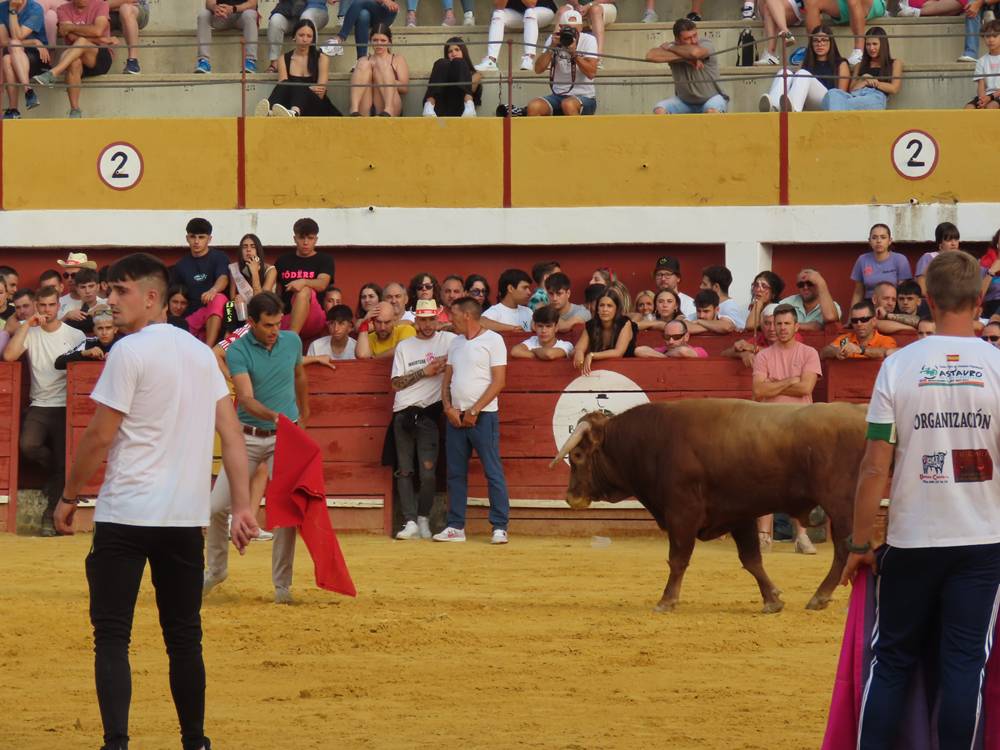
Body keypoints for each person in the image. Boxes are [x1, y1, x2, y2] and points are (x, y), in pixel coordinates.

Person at [54, 253, 255, 750]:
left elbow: (100, 436)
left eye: (120, 292)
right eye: (109, 291)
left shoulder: (129, 352)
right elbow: (232, 436)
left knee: (113, 636)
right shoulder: (200, 355)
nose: (110, 301)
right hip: (182, 519)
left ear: (151, 298)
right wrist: (244, 506)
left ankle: (116, 744)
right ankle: (194, 741)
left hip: (125, 514)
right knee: (184, 636)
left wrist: (69, 495)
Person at [840, 251, 1000, 749]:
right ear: (979, 300)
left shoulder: (897, 365)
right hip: (982, 540)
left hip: (911, 539)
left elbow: (873, 467)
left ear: (928, 300)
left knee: (891, 662)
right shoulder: (998, 366)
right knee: (963, 665)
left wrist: (860, 541)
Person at [205, 291, 307, 605]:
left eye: (278, 323)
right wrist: (278, 416)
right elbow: (246, 398)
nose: (275, 330)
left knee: (287, 513)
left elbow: (300, 376)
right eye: (268, 325)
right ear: (251, 323)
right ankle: (216, 570)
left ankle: (282, 586)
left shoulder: (292, 342)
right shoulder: (237, 351)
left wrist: (304, 417)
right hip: (247, 437)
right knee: (214, 508)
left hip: (284, 439)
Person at [3, 284, 85, 536]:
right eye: (43, 305)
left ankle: (49, 518)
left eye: (51, 305)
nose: (47, 310)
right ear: (36, 306)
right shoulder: (31, 332)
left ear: (59, 306)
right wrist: (28, 323)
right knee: (28, 446)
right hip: (39, 403)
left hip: (65, 405)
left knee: (64, 461)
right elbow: (9, 356)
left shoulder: (74, 335)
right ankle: (53, 477)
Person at [434, 296, 510, 544]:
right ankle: (455, 526)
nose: (450, 320)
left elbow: (499, 382)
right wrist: (447, 407)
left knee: (492, 471)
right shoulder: (455, 343)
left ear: (466, 315)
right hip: (456, 417)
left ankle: (500, 525)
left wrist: (475, 410)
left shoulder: (494, 340)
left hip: (483, 416)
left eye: (453, 315)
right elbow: (447, 379)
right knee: (455, 473)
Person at [751, 305, 823, 554]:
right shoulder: (763, 355)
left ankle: (801, 536)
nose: (780, 328)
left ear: (796, 326)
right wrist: (791, 381)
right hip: (769, 425)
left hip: (799, 423)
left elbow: (805, 389)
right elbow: (759, 391)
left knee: (799, 483)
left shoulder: (809, 353)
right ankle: (763, 536)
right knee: (765, 482)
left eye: (785, 324)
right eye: (775, 324)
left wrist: (775, 385)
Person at [390, 299, 456, 540]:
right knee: (405, 471)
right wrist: (424, 372)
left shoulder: (449, 341)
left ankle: (423, 518)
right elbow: (395, 383)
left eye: (431, 319)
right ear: (415, 320)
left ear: (438, 319)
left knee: (428, 473)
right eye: (422, 320)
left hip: (429, 413)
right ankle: (410, 521)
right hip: (404, 412)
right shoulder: (405, 346)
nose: (427, 325)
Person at [31, 0, 115, 118]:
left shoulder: (101, 5)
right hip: (75, 56)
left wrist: (72, 27)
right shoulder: (63, 9)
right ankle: (75, 110)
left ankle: (54, 73)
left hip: (100, 57)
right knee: (75, 61)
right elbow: (70, 36)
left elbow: (98, 30)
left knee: (81, 42)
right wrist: (99, 39)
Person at [256, 19, 341, 118]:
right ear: (294, 37)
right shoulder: (283, 59)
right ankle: (269, 112)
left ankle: (293, 113)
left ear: (313, 39)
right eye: (301, 35)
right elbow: (284, 88)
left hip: (316, 106)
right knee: (285, 84)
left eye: (309, 36)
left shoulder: (322, 58)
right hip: (291, 104)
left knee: (299, 86)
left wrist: (306, 88)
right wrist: (310, 88)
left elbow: (320, 93)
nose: (305, 39)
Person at [758, 25, 850, 111]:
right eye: (815, 40)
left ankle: (794, 109)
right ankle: (774, 106)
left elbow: (840, 96)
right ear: (811, 43)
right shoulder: (805, 63)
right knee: (785, 72)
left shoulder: (841, 64)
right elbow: (795, 84)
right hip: (807, 102)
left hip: (828, 102)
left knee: (803, 74)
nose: (820, 44)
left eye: (824, 40)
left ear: (831, 42)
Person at [647, 18, 729, 114]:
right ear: (677, 40)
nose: (694, 41)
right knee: (659, 110)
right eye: (687, 38)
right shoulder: (676, 47)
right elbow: (651, 55)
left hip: (712, 98)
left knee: (711, 111)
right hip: (684, 102)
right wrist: (687, 58)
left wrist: (670, 48)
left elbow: (695, 53)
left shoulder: (706, 44)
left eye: (695, 35)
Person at [170, 217, 230, 347]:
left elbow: (223, 278)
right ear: (187, 239)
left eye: (201, 237)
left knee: (218, 298)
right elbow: (175, 294)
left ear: (209, 239)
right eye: (193, 237)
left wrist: (213, 290)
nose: (196, 241)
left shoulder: (219, 258)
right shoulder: (181, 265)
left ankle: (209, 349)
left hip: (218, 312)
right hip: (193, 315)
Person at [527, 9, 598, 116]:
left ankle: (577, 133)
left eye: (575, 30)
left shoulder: (589, 40)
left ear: (581, 27)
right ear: (561, 27)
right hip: (558, 96)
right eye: (567, 29)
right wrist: (551, 47)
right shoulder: (554, 39)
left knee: (568, 104)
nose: (572, 34)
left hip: (584, 97)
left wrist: (574, 54)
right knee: (534, 107)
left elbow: (591, 73)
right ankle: (540, 133)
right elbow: (538, 69)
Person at [274, 217, 334, 340]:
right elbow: (276, 292)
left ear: (316, 239)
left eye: (310, 238)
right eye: (302, 238)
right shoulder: (282, 261)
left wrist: (304, 281)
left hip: (314, 317)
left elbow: (322, 284)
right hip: (287, 317)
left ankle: (292, 339)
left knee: (304, 290)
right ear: (295, 239)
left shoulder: (325, 260)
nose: (306, 242)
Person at [821, 27, 902, 111]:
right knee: (832, 93)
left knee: (840, 103)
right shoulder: (859, 65)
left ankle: (837, 114)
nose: (871, 48)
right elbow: (851, 89)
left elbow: (894, 88)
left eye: (875, 44)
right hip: (855, 96)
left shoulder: (895, 63)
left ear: (883, 44)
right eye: (868, 44)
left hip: (875, 97)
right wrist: (864, 80)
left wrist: (873, 81)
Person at [475, 0, 557, 73]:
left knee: (530, 12)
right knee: (498, 14)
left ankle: (528, 59)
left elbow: (531, 3)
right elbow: (499, 6)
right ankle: (491, 60)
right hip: (520, 13)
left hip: (543, 9)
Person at [344, 25, 408, 117]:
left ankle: (388, 110)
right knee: (363, 63)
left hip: (390, 105)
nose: (379, 44)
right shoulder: (364, 60)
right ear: (370, 41)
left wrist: (383, 77)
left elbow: (404, 88)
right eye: (375, 40)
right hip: (366, 106)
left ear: (389, 42)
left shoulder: (397, 59)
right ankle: (354, 110)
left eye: (383, 40)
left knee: (381, 65)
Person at [0, 0, 50, 120]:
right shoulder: (1, 8)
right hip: (14, 53)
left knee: (9, 56)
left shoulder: (35, 8)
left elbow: (18, 37)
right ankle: (28, 92)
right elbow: (3, 41)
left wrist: (12, 10)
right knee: (7, 58)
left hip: (37, 57)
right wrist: (33, 41)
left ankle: (13, 109)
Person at [802, 0, 885, 68]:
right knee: (811, 1)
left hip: (870, 4)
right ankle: (815, 52)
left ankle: (859, 50)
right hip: (843, 5)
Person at [573, 289, 636, 375]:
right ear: (597, 308)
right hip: (599, 374)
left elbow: (618, 352)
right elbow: (579, 347)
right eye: (601, 305)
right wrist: (579, 353)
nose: (605, 309)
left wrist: (592, 355)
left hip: (626, 373)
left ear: (616, 309)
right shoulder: (591, 324)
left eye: (609, 306)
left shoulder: (625, 323)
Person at [850, 223, 912, 307]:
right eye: (874, 237)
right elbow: (858, 292)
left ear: (890, 241)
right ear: (869, 241)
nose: (878, 241)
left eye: (883, 237)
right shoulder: (862, 260)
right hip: (869, 305)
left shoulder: (900, 260)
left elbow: (903, 291)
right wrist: (852, 317)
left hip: (893, 305)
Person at [422, 36, 481, 117]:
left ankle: (469, 105)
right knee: (441, 62)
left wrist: (476, 75)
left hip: (461, 111)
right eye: (450, 51)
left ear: (463, 51)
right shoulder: (441, 68)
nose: (453, 53)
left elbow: (472, 89)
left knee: (459, 62)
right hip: (438, 111)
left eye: (457, 50)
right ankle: (428, 106)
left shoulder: (474, 74)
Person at [266, 0, 332, 72]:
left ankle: (311, 63)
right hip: (291, 13)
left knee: (306, 17)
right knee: (275, 20)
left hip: (316, 10)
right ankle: (274, 64)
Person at [322, 0, 398, 62]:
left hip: (387, 11)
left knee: (359, 1)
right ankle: (361, 60)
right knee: (363, 15)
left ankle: (339, 38)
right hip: (368, 10)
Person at [195, 0, 258, 74]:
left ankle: (250, 61)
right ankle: (204, 62)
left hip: (241, 17)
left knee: (250, 13)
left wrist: (233, 8)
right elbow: (209, 3)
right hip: (222, 16)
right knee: (203, 15)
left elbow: (252, 4)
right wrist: (215, 8)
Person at [820, 300, 897, 359]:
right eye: (855, 320)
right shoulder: (846, 339)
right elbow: (824, 352)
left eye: (864, 319)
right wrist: (836, 351)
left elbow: (886, 352)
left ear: (874, 321)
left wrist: (860, 350)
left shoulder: (885, 340)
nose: (859, 324)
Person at [54, 306, 119, 368]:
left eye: (108, 328)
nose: (104, 332)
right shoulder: (88, 343)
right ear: (94, 331)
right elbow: (58, 363)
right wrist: (85, 353)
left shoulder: (123, 344)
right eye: (100, 328)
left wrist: (117, 356)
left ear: (115, 329)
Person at [722, 302, 781, 368]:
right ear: (761, 325)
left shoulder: (792, 336)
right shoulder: (760, 338)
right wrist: (743, 354)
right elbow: (725, 353)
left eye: (777, 323)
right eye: (767, 323)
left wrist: (754, 348)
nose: (772, 328)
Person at [230, 233, 277, 309]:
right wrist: (236, 299)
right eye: (245, 247)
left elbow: (261, 300)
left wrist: (254, 272)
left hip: (264, 310)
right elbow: (232, 298)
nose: (248, 250)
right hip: (241, 310)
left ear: (258, 250)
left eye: (253, 247)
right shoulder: (235, 268)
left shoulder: (271, 270)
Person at [481, 268, 534, 332]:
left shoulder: (528, 311)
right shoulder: (496, 311)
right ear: (510, 288)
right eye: (525, 288)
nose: (529, 292)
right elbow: (481, 322)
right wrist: (512, 328)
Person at [914, 221, 960, 294]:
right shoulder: (928, 258)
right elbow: (922, 289)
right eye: (949, 240)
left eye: (956, 240)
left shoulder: (962, 261)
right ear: (940, 242)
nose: (953, 244)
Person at [698, 264, 747, 330]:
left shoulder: (729, 307)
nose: (701, 287)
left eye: (704, 284)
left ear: (716, 287)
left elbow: (740, 330)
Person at [964, 19, 1000, 107]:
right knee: (968, 108)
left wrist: (990, 97)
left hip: (996, 96)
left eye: (995, 36)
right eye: (987, 36)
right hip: (987, 96)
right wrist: (982, 99)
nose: (991, 40)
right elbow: (981, 85)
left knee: (991, 106)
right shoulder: (981, 61)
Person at [754, 0, 800, 66]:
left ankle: (770, 54)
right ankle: (786, 32)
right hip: (769, 6)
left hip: (794, 6)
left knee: (769, 8)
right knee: (768, 7)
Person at [106, 0, 147, 74]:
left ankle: (133, 61)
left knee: (125, 9)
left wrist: (104, 6)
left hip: (134, 9)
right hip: (108, 13)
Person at [635, 317, 708, 358]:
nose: (671, 341)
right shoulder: (662, 350)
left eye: (676, 337)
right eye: (667, 337)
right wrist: (664, 356)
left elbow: (683, 351)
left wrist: (664, 355)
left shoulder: (699, 351)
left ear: (686, 336)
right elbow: (638, 350)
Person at [61, 267, 103, 335]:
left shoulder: (107, 304)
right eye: (83, 287)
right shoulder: (71, 312)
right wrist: (66, 317)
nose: (87, 291)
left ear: (98, 287)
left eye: (91, 286)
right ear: (77, 289)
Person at [56, 251, 97, 318]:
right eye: (66, 275)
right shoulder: (58, 302)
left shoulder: (101, 303)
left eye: (74, 275)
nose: (69, 279)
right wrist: (66, 317)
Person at [979, 227, 1000, 318]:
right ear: (997, 243)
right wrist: (991, 272)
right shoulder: (985, 263)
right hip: (992, 307)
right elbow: (978, 296)